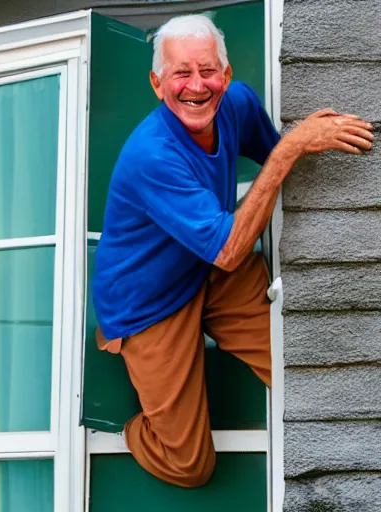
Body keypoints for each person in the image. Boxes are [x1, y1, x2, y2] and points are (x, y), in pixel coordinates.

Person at [92, 14, 374, 488]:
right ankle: (135, 427)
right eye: (181, 73)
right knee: (190, 466)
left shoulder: (237, 103)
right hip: (147, 304)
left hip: (211, 265)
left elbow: (273, 159)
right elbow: (239, 229)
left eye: (207, 70)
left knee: (301, 366)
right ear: (157, 84)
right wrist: (292, 149)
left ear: (226, 74)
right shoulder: (151, 155)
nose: (196, 86)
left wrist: (304, 146)